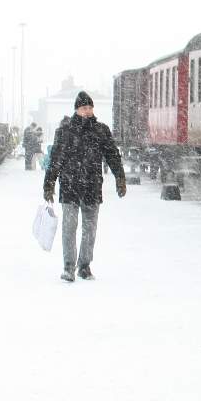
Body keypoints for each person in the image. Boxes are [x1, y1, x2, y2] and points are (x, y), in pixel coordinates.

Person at [44, 92, 125, 282]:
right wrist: (49, 184)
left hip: (92, 187)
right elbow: (55, 159)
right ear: (76, 110)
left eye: (90, 108)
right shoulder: (65, 131)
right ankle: (69, 267)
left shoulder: (101, 131)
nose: (87, 111)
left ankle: (85, 266)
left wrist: (120, 177)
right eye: (83, 108)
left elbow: (112, 155)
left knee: (90, 230)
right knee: (69, 228)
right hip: (70, 186)